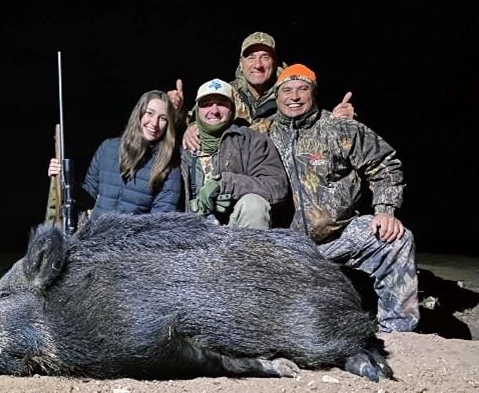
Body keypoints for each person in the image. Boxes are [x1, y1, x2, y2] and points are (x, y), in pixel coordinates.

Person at [268, 63, 419, 333]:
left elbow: (384, 163)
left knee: (396, 240)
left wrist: (385, 210)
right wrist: (191, 127)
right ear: (277, 96)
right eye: (287, 90)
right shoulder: (261, 132)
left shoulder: (340, 128)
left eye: (303, 89)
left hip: (338, 237)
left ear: (313, 93)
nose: (294, 97)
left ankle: (399, 333)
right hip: (285, 248)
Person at [177, 31, 355, 151]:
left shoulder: (290, 92)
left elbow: (312, 120)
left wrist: (336, 119)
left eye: (265, 57)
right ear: (241, 63)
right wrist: (186, 120)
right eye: (251, 57)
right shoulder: (225, 92)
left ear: (275, 62)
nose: (258, 65)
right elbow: (197, 118)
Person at [46, 89, 181, 221]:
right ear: (139, 114)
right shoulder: (108, 148)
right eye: (149, 113)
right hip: (96, 233)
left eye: (163, 118)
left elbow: (160, 221)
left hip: (135, 236)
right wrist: (65, 179)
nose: (154, 123)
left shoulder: (169, 165)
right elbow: (88, 197)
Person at [180, 78, 288, 229]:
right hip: (191, 231)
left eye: (222, 104)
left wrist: (226, 185)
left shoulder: (252, 140)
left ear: (232, 108)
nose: (214, 110)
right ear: (197, 109)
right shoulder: (183, 145)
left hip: (236, 229)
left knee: (254, 205)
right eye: (207, 104)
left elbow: (276, 187)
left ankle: (251, 246)